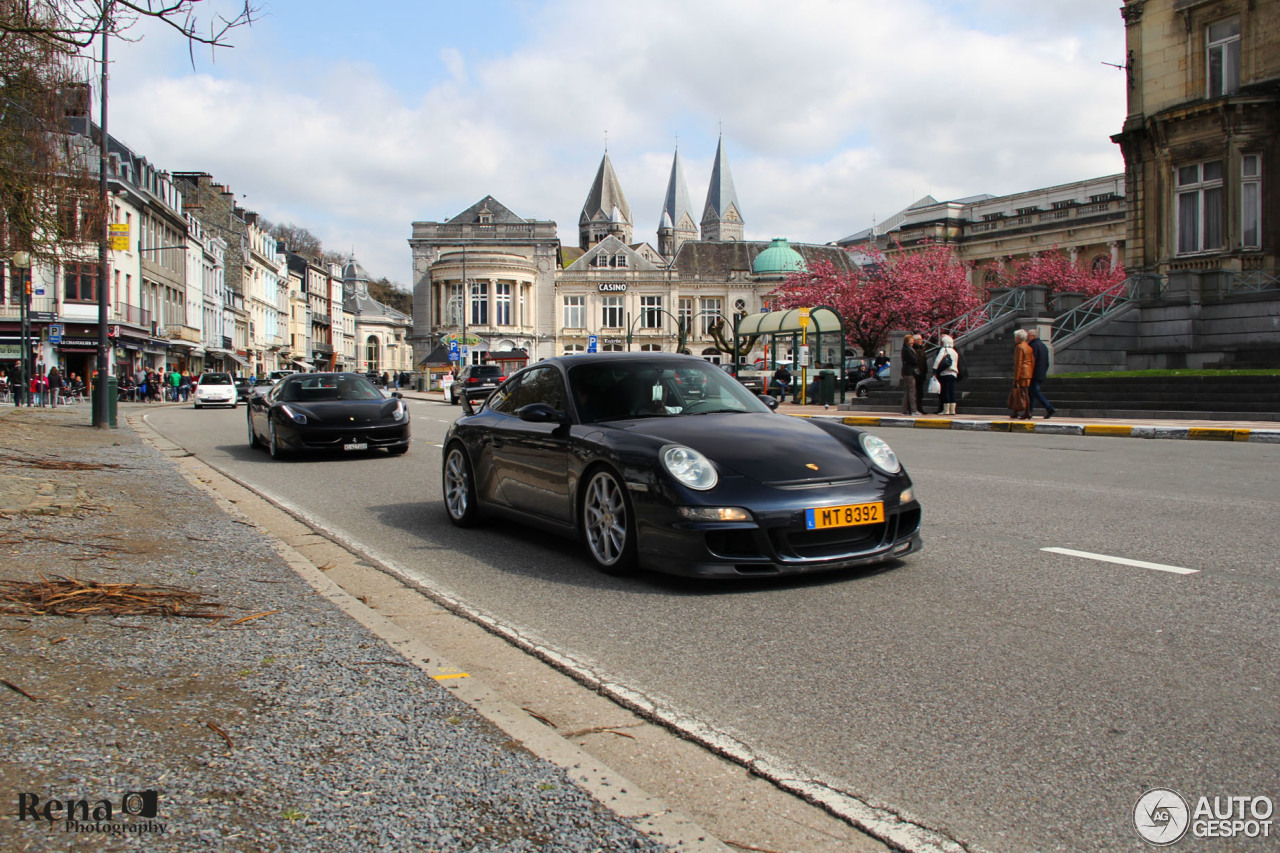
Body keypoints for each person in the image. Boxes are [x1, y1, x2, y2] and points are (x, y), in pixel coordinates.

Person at [1026, 329, 1056, 419]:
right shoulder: (1043, 346)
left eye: (1029, 336)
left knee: (1034, 391)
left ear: (1034, 336)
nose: (1027, 337)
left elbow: (1032, 360)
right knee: (1032, 392)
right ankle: (1029, 411)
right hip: (1041, 372)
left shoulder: (1033, 346)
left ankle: (1049, 407)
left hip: (1034, 373)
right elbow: (1047, 361)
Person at [933, 335, 960, 416]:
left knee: (945, 391)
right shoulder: (954, 351)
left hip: (945, 373)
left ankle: (946, 410)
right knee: (951, 391)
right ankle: (952, 410)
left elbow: (938, 360)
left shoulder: (944, 350)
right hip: (953, 373)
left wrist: (934, 370)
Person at [1011, 329, 1034, 419]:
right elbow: (1032, 361)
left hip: (1022, 372)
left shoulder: (1019, 347)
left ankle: (1027, 412)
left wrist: (1016, 377)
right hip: (1028, 372)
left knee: (1022, 392)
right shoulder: (1028, 347)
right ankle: (1017, 411)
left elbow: (1018, 362)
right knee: (1024, 392)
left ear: (1017, 338)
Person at [899, 334, 921, 415]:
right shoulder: (907, 349)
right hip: (909, 372)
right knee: (912, 390)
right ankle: (913, 410)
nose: (912, 342)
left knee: (908, 391)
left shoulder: (907, 348)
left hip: (907, 371)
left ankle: (905, 410)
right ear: (907, 342)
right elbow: (914, 360)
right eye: (910, 341)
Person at [912, 334, 928, 415]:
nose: (921, 341)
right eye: (919, 339)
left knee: (920, 392)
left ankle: (920, 407)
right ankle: (914, 408)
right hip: (915, 373)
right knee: (914, 392)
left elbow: (923, 361)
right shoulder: (913, 349)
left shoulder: (921, 349)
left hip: (922, 372)